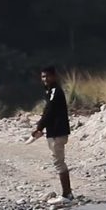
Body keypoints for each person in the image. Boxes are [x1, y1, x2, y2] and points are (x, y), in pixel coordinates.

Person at [32, 66, 73, 200]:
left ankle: (67, 194)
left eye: (47, 76)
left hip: (58, 132)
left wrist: (39, 127)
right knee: (59, 162)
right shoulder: (50, 91)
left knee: (59, 163)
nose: (45, 79)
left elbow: (50, 110)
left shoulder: (55, 90)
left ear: (54, 76)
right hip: (54, 132)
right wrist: (41, 127)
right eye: (43, 76)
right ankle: (67, 193)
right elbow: (47, 110)